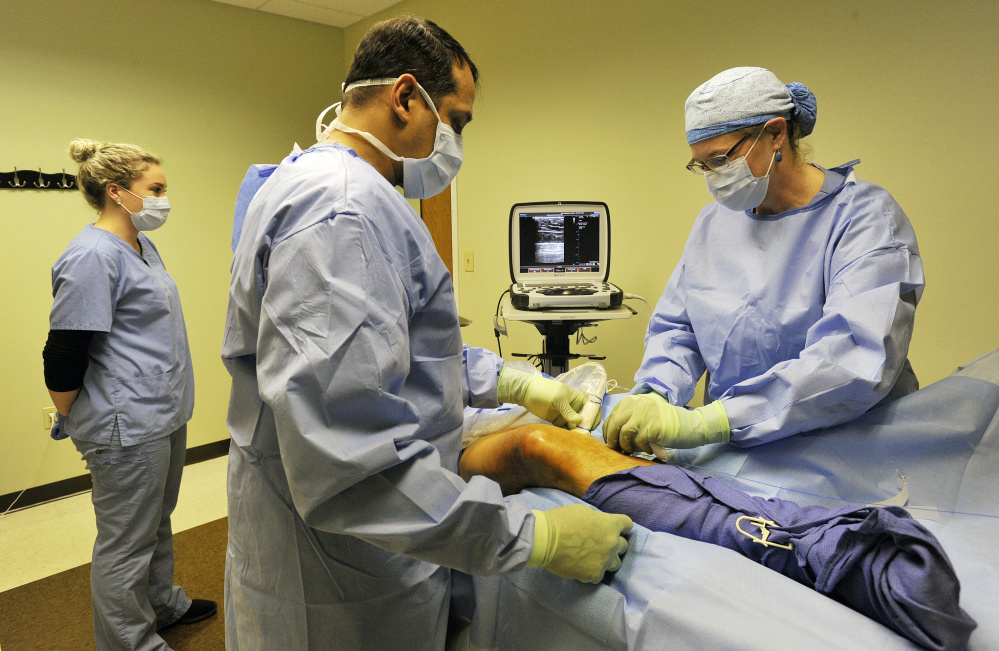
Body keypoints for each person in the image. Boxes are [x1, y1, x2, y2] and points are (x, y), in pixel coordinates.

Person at [221, 15, 632, 649]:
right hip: (342, 579)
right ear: (406, 97)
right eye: (456, 121)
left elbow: (400, 346)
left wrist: (514, 382)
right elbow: (347, 461)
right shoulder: (342, 213)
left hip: (365, 551)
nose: (457, 143)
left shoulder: (330, 189)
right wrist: (532, 538)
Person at [604, 66, 924, 455]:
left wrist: (715, 420)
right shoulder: (714, 223)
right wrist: (657, 391)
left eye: (721, 159)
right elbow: (680, 328)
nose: (712, 176)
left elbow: (855, 359)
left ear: (774, 134)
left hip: (846, 452)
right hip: (739, 447)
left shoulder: (865, 220)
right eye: (701, 165)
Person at [459, 423, 976, 650]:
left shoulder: (862, 224)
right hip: (481, 434)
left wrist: (690, 413)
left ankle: (816, 543)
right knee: (541, 446)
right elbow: (529, 445)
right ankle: (818, 547)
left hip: (799, 431)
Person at [42, 139, 215, 650]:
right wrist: (80, 413)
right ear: (117, 192)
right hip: (126, 425)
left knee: (156, 522)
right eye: (155, 189)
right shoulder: (92, 255)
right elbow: (65, 350)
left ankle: (160, 604)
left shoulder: (139, 244)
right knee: (125, 543)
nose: (165, 198)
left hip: (160, 412)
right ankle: (130, 643)